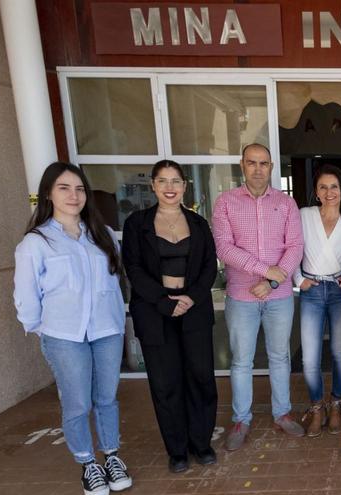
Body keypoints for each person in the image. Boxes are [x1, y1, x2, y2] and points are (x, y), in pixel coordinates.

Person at [14, 162, 132, 495]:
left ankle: (111, 456)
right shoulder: (36, 242)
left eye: (79, 189)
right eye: (64, 188)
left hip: (107, 331)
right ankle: (87, 463)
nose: (73, 195)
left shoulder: (102, 234)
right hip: (65, 336)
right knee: (78, 403)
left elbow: (116, 278)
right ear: (48, 194)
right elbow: (25, 296)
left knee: (106, 398)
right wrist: (43, 330)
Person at [122, 160, 218, 473]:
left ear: (185, 186)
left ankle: (201, 443)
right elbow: (133, 269)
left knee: (201, 378)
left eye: (175, 181)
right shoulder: (137, 223)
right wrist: (165, 303)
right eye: (162, 181)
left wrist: (191, 297)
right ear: (153, 185)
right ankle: (177, 449)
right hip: (155, 312)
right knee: (166, 383)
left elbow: (208, 266)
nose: (169, 187)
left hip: (194, 310)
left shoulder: (198, 223)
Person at [213, 143, 305, 450]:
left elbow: (295, 247)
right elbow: (224, 248)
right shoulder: (225, 202)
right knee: (241, 361)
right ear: (242, 165)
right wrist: (265, 270)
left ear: (271, 167)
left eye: (263, 163)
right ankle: (241, 420)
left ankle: (282, 414)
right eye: (251, 163)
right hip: (241, 295)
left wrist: (272, 282)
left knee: (280, 357)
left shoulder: (286, 203)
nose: (257, 169)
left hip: (278, 297)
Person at [294, 164, 341, 437]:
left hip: (338, 292)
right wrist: (299, 280)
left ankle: (336, 403)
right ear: (316, 192)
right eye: (323, 187)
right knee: (309, 357)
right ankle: (316, 407)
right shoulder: (304, 215)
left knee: (338, 352)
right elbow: (291, 251)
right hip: (310, 290)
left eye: (334, 186)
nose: (329, 191)